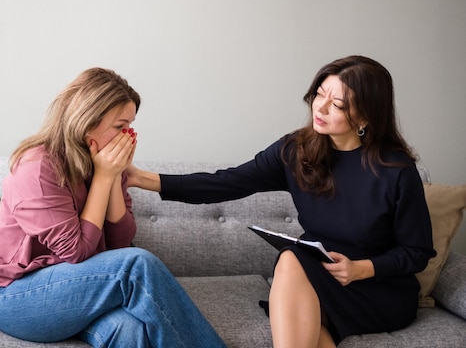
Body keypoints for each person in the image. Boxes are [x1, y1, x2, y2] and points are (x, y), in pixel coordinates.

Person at [127, 55, 436, 348]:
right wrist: (142, 178)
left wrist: (361, 269)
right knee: (293, 266)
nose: (321, 107)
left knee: (292, 267)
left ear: (365, 116)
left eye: (337, 103)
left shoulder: (396, 171)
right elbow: (226, 182)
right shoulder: (297, 150)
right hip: (319, 275)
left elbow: (417, 252)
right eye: (319, 94)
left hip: (376, 289)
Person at [0, 68, 226, 347]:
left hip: (78, 289)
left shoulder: (103, 162)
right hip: (15, 296)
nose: (128, 136)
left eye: (130, 126)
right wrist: (105, 177)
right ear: (87, 124)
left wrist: (110, 177)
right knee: (137, 265)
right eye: (120, 127)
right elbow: (77, 252)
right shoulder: (38, 168)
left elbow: (120, 244)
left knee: (129, 329)